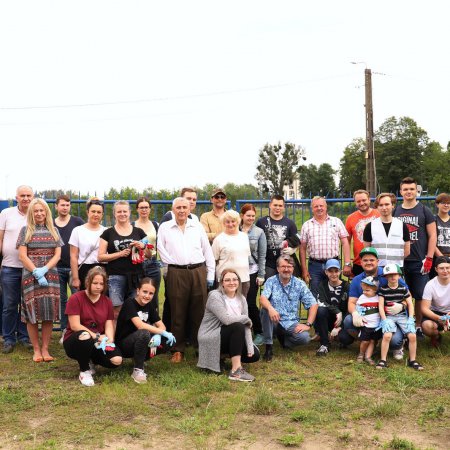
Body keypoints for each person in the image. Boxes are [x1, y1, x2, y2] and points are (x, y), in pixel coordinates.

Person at [157, 197, 215, 362]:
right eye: (178, 207)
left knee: (200, 312)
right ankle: (177, 349)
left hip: (198, 271)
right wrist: (175, 262)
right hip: (176, 272)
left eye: (185, 207)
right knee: (177, 311)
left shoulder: (197, 227)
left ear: (189, 209)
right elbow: (160, 248)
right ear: (173, 210)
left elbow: (207, 250)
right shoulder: (165, 227)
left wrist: (210, 275)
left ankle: (200, 347)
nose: (182, 210)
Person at [18, 198, 63, 362]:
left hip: (51, 275)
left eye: (41, 210)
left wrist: (45, 269)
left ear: (46, 212)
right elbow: (22, 256)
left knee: (48, 313)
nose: (38, 213)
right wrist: (37, 272)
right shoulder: (25, 231)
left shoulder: (54, 230)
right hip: (31, 276)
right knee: (32, 314)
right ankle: (36, 350)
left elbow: (57, 255)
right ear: (31, 213)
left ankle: (45, 349)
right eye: (35, 211)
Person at [63, 266, 122, 386]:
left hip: (99, 341)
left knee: (117, 361)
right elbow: (75, 326)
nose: (98, 286)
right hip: (76, 340)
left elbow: (109, 324)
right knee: (85, 336)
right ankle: (84, 370)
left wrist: (109, 338)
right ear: (88, 282)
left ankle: (92, 359)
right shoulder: (75, 298)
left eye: (101, 283)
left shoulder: (107, 301)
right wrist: (96, 336)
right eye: (95, 283)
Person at [343, 247, 406, 359]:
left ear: (378, 261)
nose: (368, 263)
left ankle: (398, 343)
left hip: (389, 316)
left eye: (371, 260)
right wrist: (355, 313)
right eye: (365, 260)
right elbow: (352, 302)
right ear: (361, 262)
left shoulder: (389, 273)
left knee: (394, 342)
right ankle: (368, 340)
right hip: (369, 316)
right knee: (348, 320)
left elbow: (408, 295)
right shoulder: (357, 280)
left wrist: (402, 305)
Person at [197, 268, 260, 381]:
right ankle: (236, 371)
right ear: (222, 283)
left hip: (230, 334)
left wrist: (250, 347)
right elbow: (226, 320)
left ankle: (222, 356)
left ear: (239, 282)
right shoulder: (215, 296)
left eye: (235, 279)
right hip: (211, 334)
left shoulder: (242, 299)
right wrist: (246, 319)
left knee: (254, 354)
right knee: (237, 326)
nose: (232, 282)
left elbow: (246, 326)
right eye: (227, 280)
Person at [394, 176, 436, 335]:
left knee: (419, 295)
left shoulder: (425, 210)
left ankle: (418, 325)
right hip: (400, 261)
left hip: (420, 260)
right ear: (401, 191)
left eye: (412, 189)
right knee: (400, 295)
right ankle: (403, 325)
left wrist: (429, 258)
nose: (409, 192)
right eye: (405, 189)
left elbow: (433, 235)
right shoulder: (395, 210)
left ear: (416, 191)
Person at [115, 277, 176, 384]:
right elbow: (140, 325)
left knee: (169, 340)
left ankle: (140, 358)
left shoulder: (149, 305)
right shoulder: (129, 303)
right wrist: (160, 332)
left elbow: (161, 325)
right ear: (138, 291)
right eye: (144, 292)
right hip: (124, 345)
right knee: (144, 333)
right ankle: (138, 370)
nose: (147, 296)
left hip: (142, 340)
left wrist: (157, 336)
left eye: (151, 293)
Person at [259, 255, 318, 362]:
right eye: (283, 266)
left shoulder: (299, 284)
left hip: (290, 322)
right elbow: (262, 299)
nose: (286, 269)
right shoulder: (271, 281)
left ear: (293, 269)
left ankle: (284, 340)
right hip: (274, 320)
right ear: (277, 268)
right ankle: (268, 347)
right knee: (265, 309)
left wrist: (308, 324)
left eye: (289, 267)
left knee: (305, 338)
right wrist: (271, 309)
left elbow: (313, 304)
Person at [98, 200, 146, 318]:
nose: (122, 214)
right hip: (115, 276)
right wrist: (119, 254)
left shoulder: (139, 232)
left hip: (136, 276)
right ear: (114, 214)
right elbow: (100, 257)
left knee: (135, 309)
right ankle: (116, 335)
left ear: (129, 213)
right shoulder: (107, 233)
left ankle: (132, 335)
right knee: (116, 310)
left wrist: (143, 247)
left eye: (125, 211)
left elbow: (150, 254)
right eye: (119, 211)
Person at [0, 185, 34, 353]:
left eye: (29, 195)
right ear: (16, 197)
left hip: (29, 268)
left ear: (33, 197)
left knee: (27, 304)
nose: (26, 198)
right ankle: (8, 337)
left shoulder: (36, 214)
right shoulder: (6, 214)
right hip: (9, 267)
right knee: (9, 304)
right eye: (23, 195)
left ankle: (24, 336)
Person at [300, 196, 351, 296]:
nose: (319, 208)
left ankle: (335, 312)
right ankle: (317, 312)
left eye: (321, 206)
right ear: (312, 208)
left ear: (326, 207)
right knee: (315, 294)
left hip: (333, 263)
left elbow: (345, 243)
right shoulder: (306, 225)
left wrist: (347, 263)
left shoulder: (336, 222)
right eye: (316, 206)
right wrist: (304, 269)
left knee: (335, 293)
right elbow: (302, 248)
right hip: (314, 266)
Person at [377, 264, 423, 370]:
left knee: (412, 336)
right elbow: (380, 305)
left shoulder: (403, 289)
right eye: (389, 275)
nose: (392, 277)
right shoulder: (383, 290)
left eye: (395, 274)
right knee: (387, 335)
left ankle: (413, 360)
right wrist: (384, 320)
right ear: (385, 277)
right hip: (388, 316)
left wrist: (411, 318)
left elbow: (410, 304)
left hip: (402, 316)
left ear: (399, 275)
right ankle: (383, 360)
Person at [53, 194, 84, 341]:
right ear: (56, 206)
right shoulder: (51, 224)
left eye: (67, 205)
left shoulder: (77, 221)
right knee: (61, 301)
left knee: (77, 299)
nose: (65, 208)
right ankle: (64, 330)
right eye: (62, 205)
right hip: (56, 268)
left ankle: (79, 329)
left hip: (74, 268)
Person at [240, 203, 267, 345]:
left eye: (252, 216)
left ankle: (259, 331)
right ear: (242, 216)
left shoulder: (259, 232)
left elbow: (262, 255)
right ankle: (242, 331)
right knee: (237, 303)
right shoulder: (235, 229)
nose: (250, 218)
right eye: (248, 215)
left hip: (252, 270)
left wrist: (261, 274)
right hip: (237, 271)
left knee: (250, 303)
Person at [255, 194, 300, 279]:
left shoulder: (290, 223)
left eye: (280, 205)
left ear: (284, 207)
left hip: (285, 262)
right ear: (270, 205)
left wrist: (293, 250)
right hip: (268, 263)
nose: (277, 208)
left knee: (286, 288)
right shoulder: (261, 222)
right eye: (275, 205)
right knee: (270, 288)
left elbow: (296, 241)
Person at [363, 193, 410, 268]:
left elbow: (407, 251)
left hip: (397, 268)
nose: (384, 208)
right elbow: (367, 251)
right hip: (377, 269)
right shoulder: (370, 226)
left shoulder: (401, 225)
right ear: (377, 207)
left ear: (393, 205)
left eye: (387, 204)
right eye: (381, 205)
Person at [314, 259, 349, 356]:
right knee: (320, 310)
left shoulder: (346, 286)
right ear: (326, 272)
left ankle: (339, 337)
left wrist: (340, 327)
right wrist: (337, 311)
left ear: (340, 271)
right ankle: (324, 344)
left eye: (336, 271)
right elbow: (321, 302)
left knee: (345, 339)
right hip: (329, 317)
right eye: (330, 271)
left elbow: (349, 308)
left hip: (342, 319)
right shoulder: (322, 284)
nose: (333, 274)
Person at [69, 198, 106, 291]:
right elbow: (73, 256)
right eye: (93, 211)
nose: (96, 214)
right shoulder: (77, 230)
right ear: (87, 212)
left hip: (103, 270)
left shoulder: (106, 231)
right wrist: (75, 278)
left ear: (102, 214)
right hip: (84, 270)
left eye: (99, 212)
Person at [212, 210, 251, 295]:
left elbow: (246, 256)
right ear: (223, 223)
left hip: (243, 278)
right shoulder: (219, 239)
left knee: (241, 304)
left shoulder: (244, 237)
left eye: (233, 221)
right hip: (225, 280)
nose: (230, 224)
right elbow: (214, 260)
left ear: (238, 222)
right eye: (227, 222)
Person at [133, 197, 161, 310]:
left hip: (153, 263)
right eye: (141, 207)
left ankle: (153, 324)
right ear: (137, 209)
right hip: (137, 263)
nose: (144, 210)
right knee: (137, 295)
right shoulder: (132, 225)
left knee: (152, 297)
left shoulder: (155, 225)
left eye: (146, 207)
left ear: (150, 209)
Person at [345, 189, 380, 276]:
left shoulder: (379, 214)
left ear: (369, 200)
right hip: (359, 262)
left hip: (379, 261)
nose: (361, 203)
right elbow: (346, 242)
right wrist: (347, 263)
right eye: (358, 201)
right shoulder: (350, 218)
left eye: (364, 200)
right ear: (355, 203)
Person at [421, 256, 450, 347]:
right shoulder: (430, 284)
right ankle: (436, 336)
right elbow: (424, 308)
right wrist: (440, 318)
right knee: (427, 326)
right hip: (435, 313)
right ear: (436, 269)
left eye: (447, 268)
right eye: (441, 268)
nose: (445, 271)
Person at [354, 276, 381, 366]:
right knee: (365, 341)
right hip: (366, 324)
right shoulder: (362, 298)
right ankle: (361, 354)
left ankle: (368, 356)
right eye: (364, 290)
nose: (364, 292)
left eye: (367, 290)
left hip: (376, 325)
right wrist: (358, 315)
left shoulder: (378, 298)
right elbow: (358, 308)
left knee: (373, 341)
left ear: (375, 290)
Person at [432, 193, 450, 278]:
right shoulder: (432, 220)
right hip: (437, 258)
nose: (446, 205)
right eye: (443, 203)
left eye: (448, 203)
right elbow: (431, 240)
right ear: (437, 204)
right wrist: (442, 258)